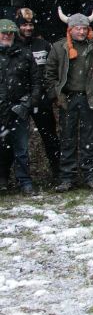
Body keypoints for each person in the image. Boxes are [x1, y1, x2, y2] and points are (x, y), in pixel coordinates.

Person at [45, 9, 93, 191]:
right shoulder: (59, 47)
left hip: (90, 98)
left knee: (89, 139)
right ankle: (67, 178)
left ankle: (91, 176)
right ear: (70, 30)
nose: (81, 31)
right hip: (68, 98)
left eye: (84, 28)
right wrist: (56, 95)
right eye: (77, 28)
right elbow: (49, 74)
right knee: (67, 139)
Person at [12, 9, 62, 180]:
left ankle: (58, 173)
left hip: (41, 99)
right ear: (18, 26)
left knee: (50, 137)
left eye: (31, 24)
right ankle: (10, 177)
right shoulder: (11, 45)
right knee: (14, 140)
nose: (28, 28)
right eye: (24, 25)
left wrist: (52, 94)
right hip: (18, 99)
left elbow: (54, 70)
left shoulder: (44, 45)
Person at [0, 19, 41, 195]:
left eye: (10, 33)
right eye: (3, 32)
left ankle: (25, 182)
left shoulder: (25, 54)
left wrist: (29, 103)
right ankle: (2, 179)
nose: (7, 35)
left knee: (21, 148)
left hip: (19, 108)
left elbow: (37, 82)